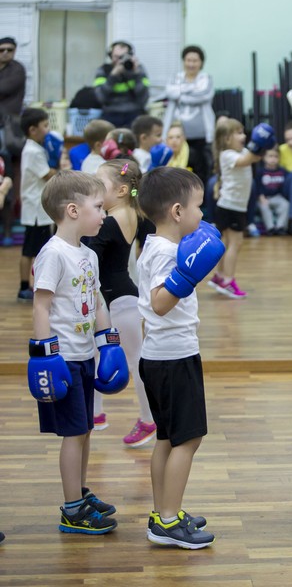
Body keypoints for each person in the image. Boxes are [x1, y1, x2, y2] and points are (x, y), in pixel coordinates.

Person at [30, 170, 128, 535]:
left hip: (86, 354)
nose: (104, 215)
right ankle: (71, 509)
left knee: (85, 428)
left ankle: (80, 494)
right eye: (98, 207)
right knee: (74, 433)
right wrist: (45, 356)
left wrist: (109, 342)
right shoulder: (53, 254)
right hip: (64, 359)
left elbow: (97, 298)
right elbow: (41, 306)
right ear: (73, 210)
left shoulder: (87, 253)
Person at [136, 166, 224, 549]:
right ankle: (168, 522)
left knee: (168, 439)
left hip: (161, 356)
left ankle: (163, 511)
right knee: (188, 440)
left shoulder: (155, 246)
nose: (202, 215)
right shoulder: (168, 252)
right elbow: (159, 304)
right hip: (172, 358)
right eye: (198, 207)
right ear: (177, 211)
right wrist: (185, 276)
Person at [83, 159, 156, 446]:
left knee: (136, 361)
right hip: (117, 295)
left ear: (123, 189)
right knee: (97, 353)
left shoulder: (109, 222)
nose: (95, 189)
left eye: (100, 184)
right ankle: (96, 413)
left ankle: (149, 420)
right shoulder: (132, 214)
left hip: (120, 300)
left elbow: (87, 259)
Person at [206, 118, 275, 298]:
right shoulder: (227, 154)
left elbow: (253, 156)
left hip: (231, 206)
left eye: (243, 131)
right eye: (238, 133)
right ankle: (228, 281)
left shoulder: (241, 151)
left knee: (228, 244)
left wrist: (264, 144)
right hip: (231, 207)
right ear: (227, 139)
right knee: (235, 243)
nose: (243, 136)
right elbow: (248, 159)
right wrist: (261, 141)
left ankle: (219, 277)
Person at [18, 107, 58, 302]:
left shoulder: (33, 148)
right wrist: (61, 170)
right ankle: (26, 286)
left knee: (33, 248)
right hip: (36, 210)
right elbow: (46, 174)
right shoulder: (33, 151)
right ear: (33, 130)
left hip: (35, 208)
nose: (47, 129)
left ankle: (29, 285)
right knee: (33, 249)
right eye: (44, 125)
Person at [161, 45, 214, 185]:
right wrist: (192, 90)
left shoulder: (206, 78)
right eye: (188, 60)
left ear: (201, 62)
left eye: (195, 61)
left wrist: (180, 94)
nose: (191, 64)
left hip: (200, 134)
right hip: (177, 133)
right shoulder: (175, 77)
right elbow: (170, 92)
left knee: (200, 167)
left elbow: (204, 95)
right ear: (183, 61)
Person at [0, 36, 26, 246]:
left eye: (10, 50)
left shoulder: (17, 69)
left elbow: (4, 89)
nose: (6, 53)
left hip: (6, 134)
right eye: (2, 50)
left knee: (7, 183)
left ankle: (7, 231)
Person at [93, 41, 149, 128]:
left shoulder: (138, 70)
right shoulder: (103, 70)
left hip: (134, 113)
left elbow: (144, 98)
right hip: (110, 113)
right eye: (116, 57)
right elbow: (100, 98)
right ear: (110, 56)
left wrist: (136, 74)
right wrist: (112, 76)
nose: (120, 60)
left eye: (123, 57)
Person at [254, 147, 290, 235]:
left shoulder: (283, 171)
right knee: (264, 207)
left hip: (278, 197)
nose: (273, 159)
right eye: (270, 156)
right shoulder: (260, 171)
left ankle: (280, 227)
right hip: (264, 197)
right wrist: (261, 198)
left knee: (285, 204)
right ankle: (270, 228)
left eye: (276, 156)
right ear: (264, 158)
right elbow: (258, 186)